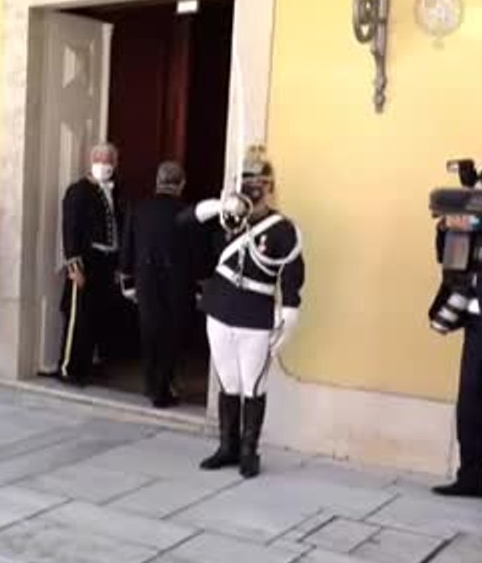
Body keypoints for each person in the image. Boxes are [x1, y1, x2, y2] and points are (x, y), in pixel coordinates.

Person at [191, 145, 305, 478]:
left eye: (259, 184)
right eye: (247, 183)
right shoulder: (230, 219)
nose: (253, 190)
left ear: (270, 187)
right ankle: (227, 446)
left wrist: (290, 316)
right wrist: (218, 206)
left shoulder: (283, 229)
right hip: (220, 309)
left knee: (253, 385)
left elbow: (293, 276)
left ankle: (248, 451)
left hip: (255, 316)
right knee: (228, 381)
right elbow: (185, 223)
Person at [120, 161, 197, 408]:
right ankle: (162, 389)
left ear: (157, 181)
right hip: (178, 281)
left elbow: (127, 247)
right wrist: (200, 286)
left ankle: (151, 384)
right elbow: (196, 255)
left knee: (150, 331)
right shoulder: (188, 212)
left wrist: (127, 280)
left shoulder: (139, 208)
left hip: (145, 279)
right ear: (181, 184)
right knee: (171, 334)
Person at [429, 213, 482, 499]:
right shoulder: (476, 226)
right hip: (477, 328)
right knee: (470, 407)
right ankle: (472, 479)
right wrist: (446, 227)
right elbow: (447, 257)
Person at [58, 143, 123, 385]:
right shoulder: (78, 190)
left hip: (106, 262)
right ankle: (67, 367)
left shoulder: (114, 191)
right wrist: (74, 268)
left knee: (98, 316)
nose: (104, 164)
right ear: (91, 161)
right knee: (78, 316)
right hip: (86, 261)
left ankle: (88, 364)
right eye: (100, 159)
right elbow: (70, 229)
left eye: (109, 160)